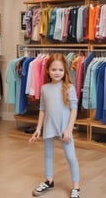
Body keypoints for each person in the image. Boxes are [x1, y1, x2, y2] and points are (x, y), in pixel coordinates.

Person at [29, 53, 81, 198]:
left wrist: (69, 129)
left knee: (71, 157)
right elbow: (42, 109)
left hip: (65, 129)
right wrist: (38, 128)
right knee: (48, 155)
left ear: (65, 71)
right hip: (49, 127)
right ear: (48, 70)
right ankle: (49, 181)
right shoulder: (45, 88)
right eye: (53, 70)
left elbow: (74, 109)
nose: (57, 73)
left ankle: (76, 187)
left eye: (60, 70)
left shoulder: (69, 88)